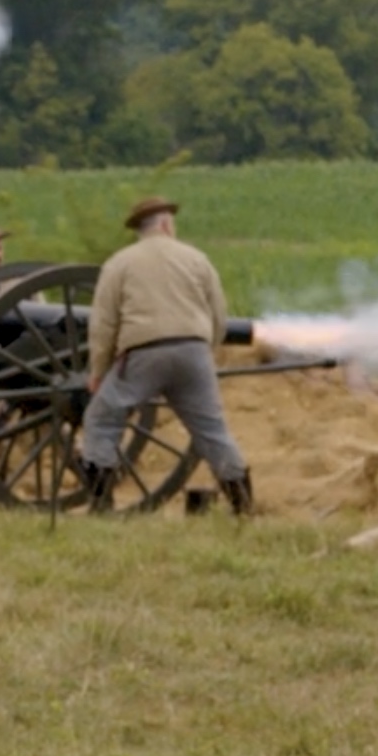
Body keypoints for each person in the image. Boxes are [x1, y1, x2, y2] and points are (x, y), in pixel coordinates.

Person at [78, 196, 253, 517]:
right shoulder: (197, 259)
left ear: (141, 229)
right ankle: (242, 506)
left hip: (144, 353)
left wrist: (98, 371)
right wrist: (205, 354)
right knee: (212, 431)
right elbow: (218, 316)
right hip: (194, 351)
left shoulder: (120, 262)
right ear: (165, 224)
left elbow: (104, 324)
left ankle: (101, 504)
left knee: (100, 420)